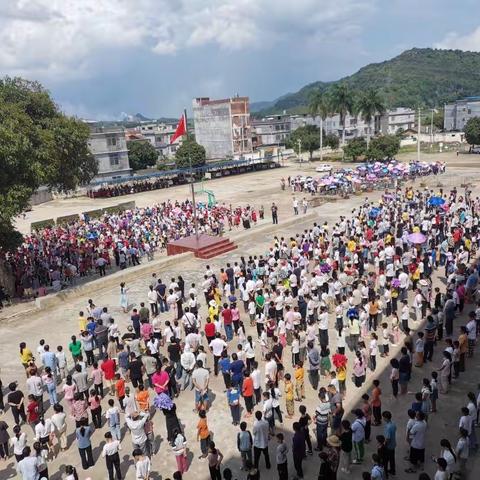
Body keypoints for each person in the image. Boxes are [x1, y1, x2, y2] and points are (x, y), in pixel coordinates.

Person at [382, 411, 396, 476]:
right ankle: (393, 470)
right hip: (393, 444)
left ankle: (387, 471)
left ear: (386, 418)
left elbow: (388, 438)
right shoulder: (393, 424)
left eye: (384, 417)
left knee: (386, 459)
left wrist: (384, 444)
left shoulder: (388, 427)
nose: (383, 418)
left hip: (389, 446)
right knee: (392, 458)